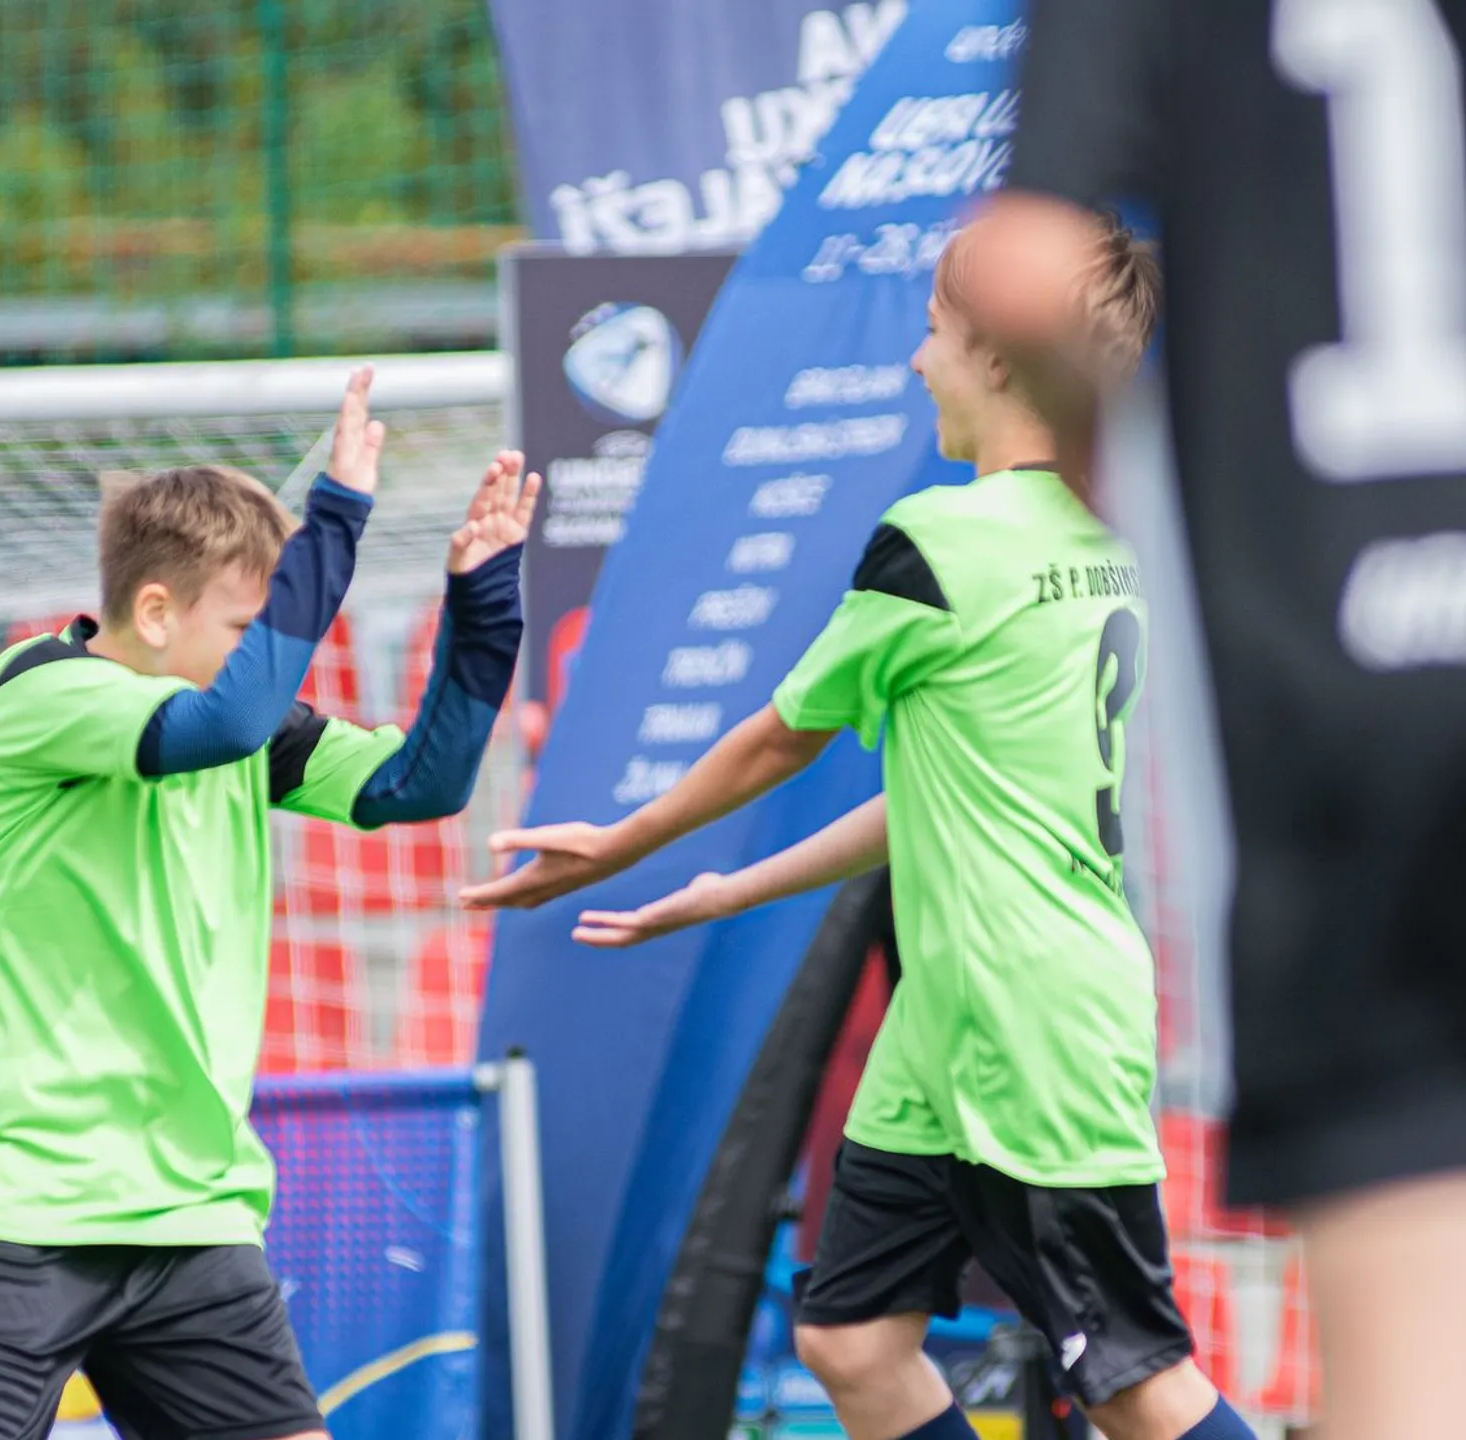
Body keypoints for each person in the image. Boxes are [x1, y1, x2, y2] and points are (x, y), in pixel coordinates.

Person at [464, 221, 1255, 1440]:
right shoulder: (1106, 547)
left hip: (1034, 1030)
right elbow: (949, 796)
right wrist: (728, 891)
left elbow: (779, 741)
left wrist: (623, 840)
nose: (915, 361)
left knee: (1138, 1384)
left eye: (935, 331)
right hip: (949, 1033)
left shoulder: (940, 543)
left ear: (996, 357)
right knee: (848, 1338)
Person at [951, 6, 1466, 1437]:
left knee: (1410, 1345)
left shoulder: (940, 564)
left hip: (1344, 683)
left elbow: (1030, 260)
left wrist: (1104, 452)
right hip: (1032, 1034)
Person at [0, 367, 536, 1440]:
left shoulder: (245, 727)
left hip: (187, 1209)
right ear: (153, 612)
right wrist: (340, 516)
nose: (273, 665)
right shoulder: (36, 696)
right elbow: (226, 725)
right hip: (1, 1198)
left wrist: (483, 600)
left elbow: (424, 784)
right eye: (249, 627)